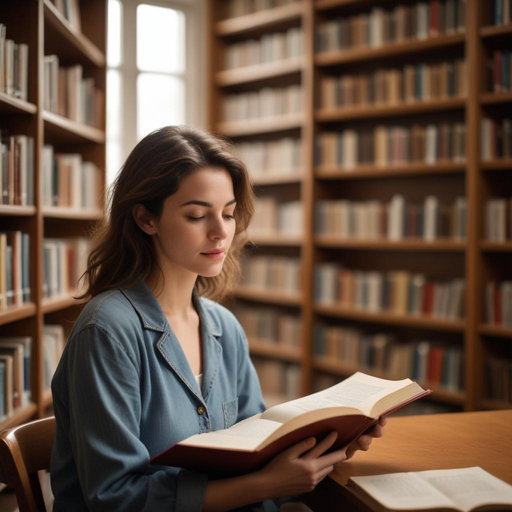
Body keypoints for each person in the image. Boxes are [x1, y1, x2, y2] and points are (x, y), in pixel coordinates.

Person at [50, 125, 387, 512]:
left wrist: (337, 443)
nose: (220, 232)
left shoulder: (224, 327)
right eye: (197, 216)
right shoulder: (107, 330)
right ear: (146, 219)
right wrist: (263, 485)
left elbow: (259, 449)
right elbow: (117, 498)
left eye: (228, 214)